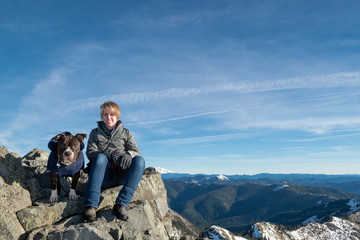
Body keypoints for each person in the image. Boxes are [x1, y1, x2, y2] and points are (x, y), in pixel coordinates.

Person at [82, 101, 145, 222]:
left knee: (139, 161)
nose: (109, 117)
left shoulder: (125, 133)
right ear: (102, 116)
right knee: (100, 158)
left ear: (117, 116)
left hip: (121, 175)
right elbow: (90, 153)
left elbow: (136, 151)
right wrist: (109, 154)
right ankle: (90, 206)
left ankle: (121, 204)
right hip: (103, 177)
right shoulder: (95, 133)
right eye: (105, 114)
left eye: (112, 114)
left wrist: (128, 154)